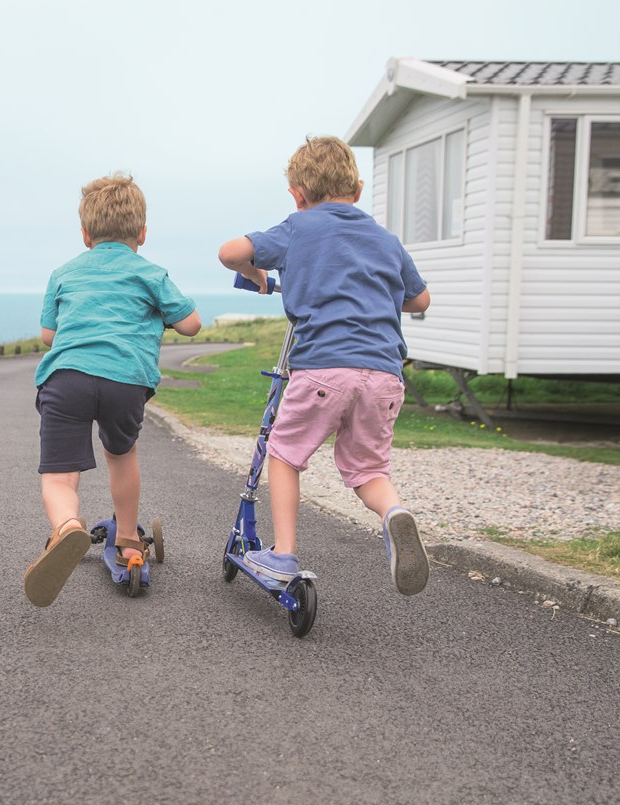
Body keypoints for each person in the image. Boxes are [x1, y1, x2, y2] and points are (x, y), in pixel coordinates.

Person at [218, 135, 432, 596]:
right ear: (357, 189)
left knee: (285, 452)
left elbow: (230, 252)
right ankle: (394, 512)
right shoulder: (385, 239)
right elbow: (420, 298)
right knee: (368, 471)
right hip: (384, 374)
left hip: (323, 368)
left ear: (297, 195)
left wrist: (258, 275)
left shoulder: (299, 227)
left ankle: (284, 551)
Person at [25, 173, 202, 607]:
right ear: (142, 232)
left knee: (60, 474)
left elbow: (49, 335)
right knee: (121, 455)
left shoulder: (64, 273)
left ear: (85, 234)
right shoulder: (151, 272)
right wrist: (158, 318)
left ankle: (67, 527)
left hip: (67, 377)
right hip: (126, 379)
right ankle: (126, 539)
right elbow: (192, 325)